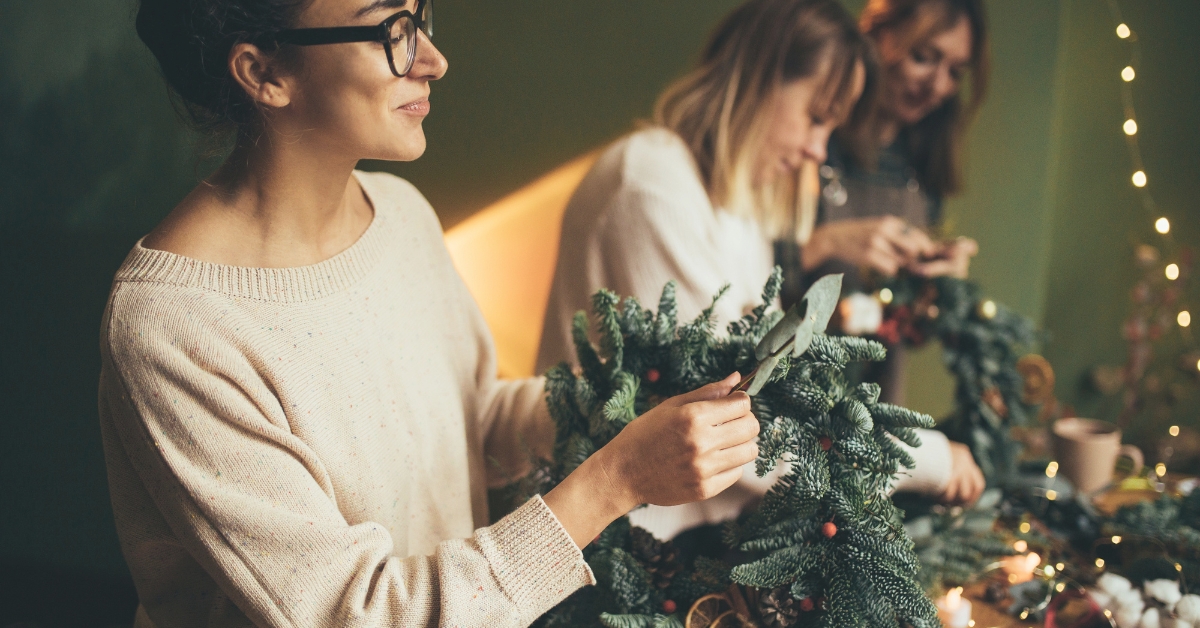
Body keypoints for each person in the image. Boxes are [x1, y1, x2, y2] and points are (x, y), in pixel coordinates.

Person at [100, 1, 762, 626]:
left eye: (420, 17)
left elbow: (471, 422)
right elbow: (357, 613)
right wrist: (615, 481)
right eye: (391, 30)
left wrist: (622, 403)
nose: (433, 59)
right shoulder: (176, 323)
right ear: (263, 72)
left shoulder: (400, 216)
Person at [537, 0, 983, 543]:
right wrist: (931, 460)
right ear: (759, 79)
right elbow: (733, 427)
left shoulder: (739, 206)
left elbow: (771, 381)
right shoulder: (652, 185)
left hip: (699, 534)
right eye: (816, 118)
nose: (818, 151)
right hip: (611, 544)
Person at [789, 0, 990, 404]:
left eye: (955, 72)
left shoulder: (923, 171)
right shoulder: (805, 142)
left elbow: (904, 331)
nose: (938, 86)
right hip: (783, 400)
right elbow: (746, 286)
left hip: (875, 414)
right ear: (878, 35)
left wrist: (936, 293)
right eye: (923, 58)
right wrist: (823, 245)